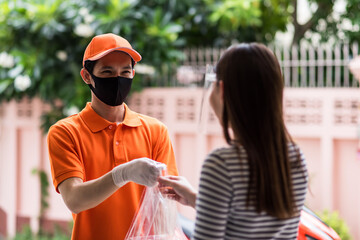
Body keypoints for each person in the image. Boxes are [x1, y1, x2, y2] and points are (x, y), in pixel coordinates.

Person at [159, 43, 308, 239]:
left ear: (222, 89)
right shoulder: (294, 158)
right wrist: (199, 200)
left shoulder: (221, 165)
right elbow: (254, 219)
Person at [47, 33, 179, 240]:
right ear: (87, 76)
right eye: (107, 72)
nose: (118, 79)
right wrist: (121, 174)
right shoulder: (66, 132)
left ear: (133, 73)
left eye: (125, 71)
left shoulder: (155, 130)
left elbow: (166, 200)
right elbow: (74, 199)